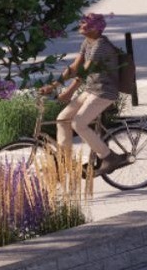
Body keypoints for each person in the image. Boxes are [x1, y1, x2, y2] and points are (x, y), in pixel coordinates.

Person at [51, 13, 126, 173]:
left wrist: (69, 92)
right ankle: (65, 162)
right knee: (62, 119)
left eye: (85, 23)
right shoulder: (87, 42)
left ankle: (109, 157)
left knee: (78, 123)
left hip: (104, 91)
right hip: (91, 89)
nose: (81, 25)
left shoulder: (101, 46)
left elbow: (84, 72)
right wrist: (53, 85)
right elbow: (75, 67)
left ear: (95, 28)